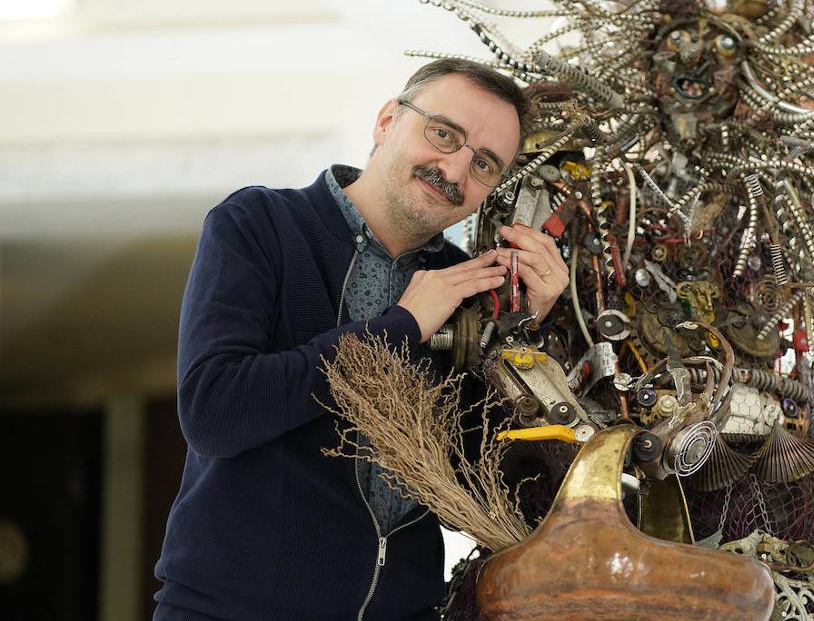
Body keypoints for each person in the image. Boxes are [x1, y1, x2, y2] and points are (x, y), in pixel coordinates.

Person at [153, 58, 568, 620]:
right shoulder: (260, 223)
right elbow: (214, 413)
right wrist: (403, 327)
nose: (454, 169)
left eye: (484, 164)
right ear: (387, 120)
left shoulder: (467, 287)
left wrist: (523, 334)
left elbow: (478, 480)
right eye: (444, 134)